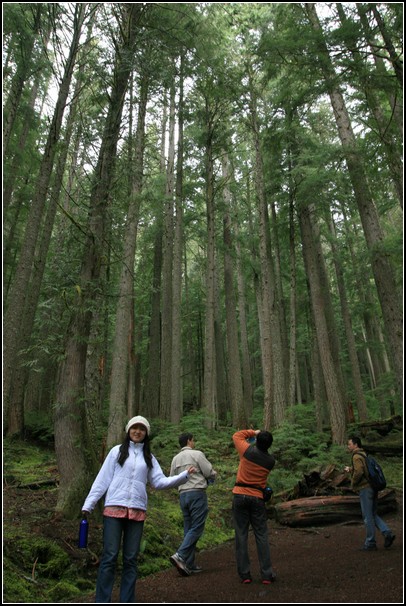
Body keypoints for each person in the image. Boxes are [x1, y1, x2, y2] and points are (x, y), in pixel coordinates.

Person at [81, 416, 196, 603]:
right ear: (128, 430)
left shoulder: (148, 457)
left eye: (142, 429)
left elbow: (159, 482)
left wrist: (183, 476)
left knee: (130, 559)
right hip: (114, 509)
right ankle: (102, 600)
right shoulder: (116, 452)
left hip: (137, 511)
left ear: (146, 433)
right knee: (110, 557)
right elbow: (102, 480)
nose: (138, 431)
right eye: (134, 428)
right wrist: (89, 504)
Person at [231, 428, 276, 585]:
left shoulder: (247, 451)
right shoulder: (270, 461)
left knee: (241, 535)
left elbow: (237, 435)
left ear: (257, 441)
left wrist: (254, 432)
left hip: (240, 495)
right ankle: (267, 574)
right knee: (261, 535)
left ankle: (245, 575)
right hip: (257, 498)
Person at [169, 432, 217, 576]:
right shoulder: (197, 454)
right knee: (197, 527)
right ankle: (180, 555)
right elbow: (208, 472)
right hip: (197, 493)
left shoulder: (175, 459)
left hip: (183, 495)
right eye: (193, 440)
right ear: (189, 441)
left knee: (188, 528)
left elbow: (172, 478)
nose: (194, 442)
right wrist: (213, 475)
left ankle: (187, 564)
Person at [345, 435, 395, 551]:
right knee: (373, 514)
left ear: (355, 445)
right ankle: (387, 532)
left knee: (367, 516)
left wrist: (353, 484)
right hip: (373, 487)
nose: (348, 446)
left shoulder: (356, 456)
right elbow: (364, 469)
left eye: (349, 444)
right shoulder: (364, 454)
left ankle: (370, 542)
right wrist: (351, 469)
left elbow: (359, 472)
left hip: (365, 488)